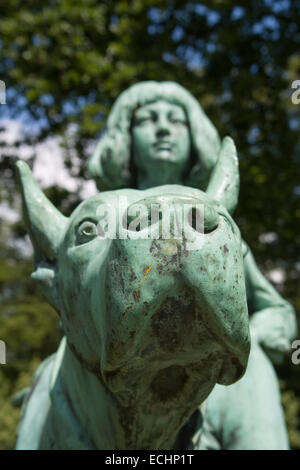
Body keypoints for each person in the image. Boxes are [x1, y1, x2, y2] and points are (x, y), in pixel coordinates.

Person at [88, 81, 297, 449]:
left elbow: (277, 309)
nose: (164, 128)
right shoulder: (100, 223)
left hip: (216, 379)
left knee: (253, 372)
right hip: (113, 372)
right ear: (126, 137)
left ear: (195, 137)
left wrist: (257, 338)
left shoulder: (213, 225)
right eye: (148, 120)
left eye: (176, 121)